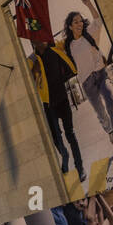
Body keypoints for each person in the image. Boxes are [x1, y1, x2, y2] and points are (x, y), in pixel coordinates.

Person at [62, 0, 113, 153]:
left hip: (101, 74)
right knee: (100, 112)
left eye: (80, 21)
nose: (79, 24)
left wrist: (88, 3)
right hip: (86, 82)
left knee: (111, 102)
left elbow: (98, 21)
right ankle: (110, 131)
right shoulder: (67, 44)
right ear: (70, 26)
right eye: (75, 22)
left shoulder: (89, 32)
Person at [29, 39, 85, 182]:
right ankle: (64, 156)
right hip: (48, 105)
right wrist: (33, 71)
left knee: (70, 134)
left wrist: (62, 78)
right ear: (33, 42)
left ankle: (80, 168)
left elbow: (72, 69)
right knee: (55, 138)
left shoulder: (55, 51)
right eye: (37, 39)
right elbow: (26, 78)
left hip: (62, 100)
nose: (42, 41)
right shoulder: (32, 60)